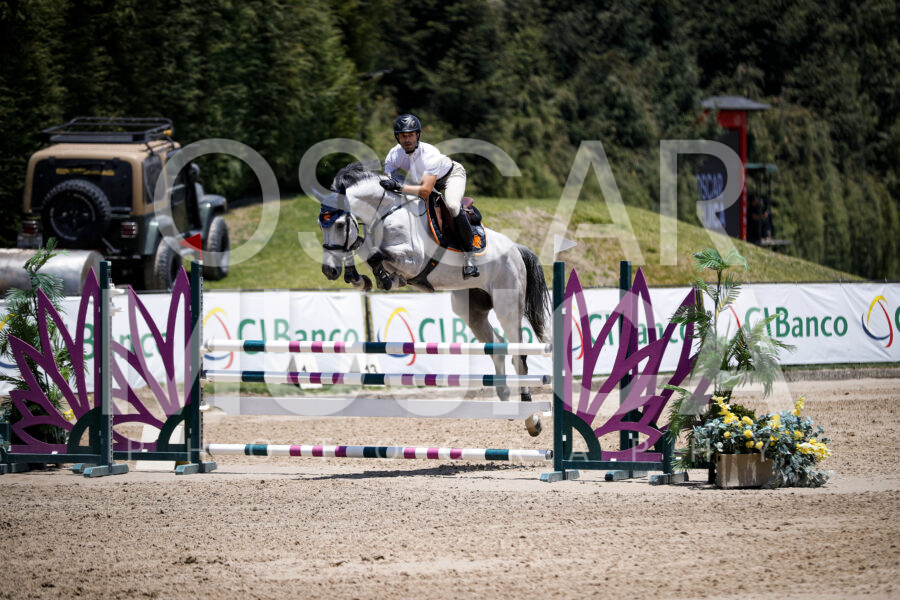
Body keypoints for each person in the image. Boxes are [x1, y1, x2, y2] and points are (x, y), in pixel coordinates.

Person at [380, 114, 479, 279]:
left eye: (411, 135)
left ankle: (470, 256)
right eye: (403, 136)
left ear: (417, 135)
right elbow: (389, 181)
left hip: (450, 176)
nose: (407, 139)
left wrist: (399, 187)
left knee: (453, 205)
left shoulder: (430, 153)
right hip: (422, 181)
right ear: (397, 137)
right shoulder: (393, 154)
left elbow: (425, 191)